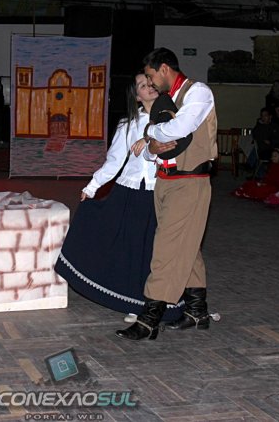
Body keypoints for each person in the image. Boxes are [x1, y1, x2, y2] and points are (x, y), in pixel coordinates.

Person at [54, 73, 182, 323]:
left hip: (162, 191)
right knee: (131, 247)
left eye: (150, 82)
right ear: (136, 96)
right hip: (130, 192)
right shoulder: (128, 124)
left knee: (158, 249)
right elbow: (114, 161)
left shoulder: (173, 120)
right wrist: (93, 186)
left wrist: (151, 142)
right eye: (142, 86)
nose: (148, 87)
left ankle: (163, 302)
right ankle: (134, 302)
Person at [116, 47, 217, 341]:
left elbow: (180, 128)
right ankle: (197, 311)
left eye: (150, 76)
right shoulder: (165, 100)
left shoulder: (198, 92)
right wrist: (152, 145)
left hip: (190, 181)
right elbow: (151, 153)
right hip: (165, 182)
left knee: (165, 250)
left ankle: (149, 320)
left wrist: (150, 132)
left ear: (163, 69)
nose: (150, 82)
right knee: (186, 246)